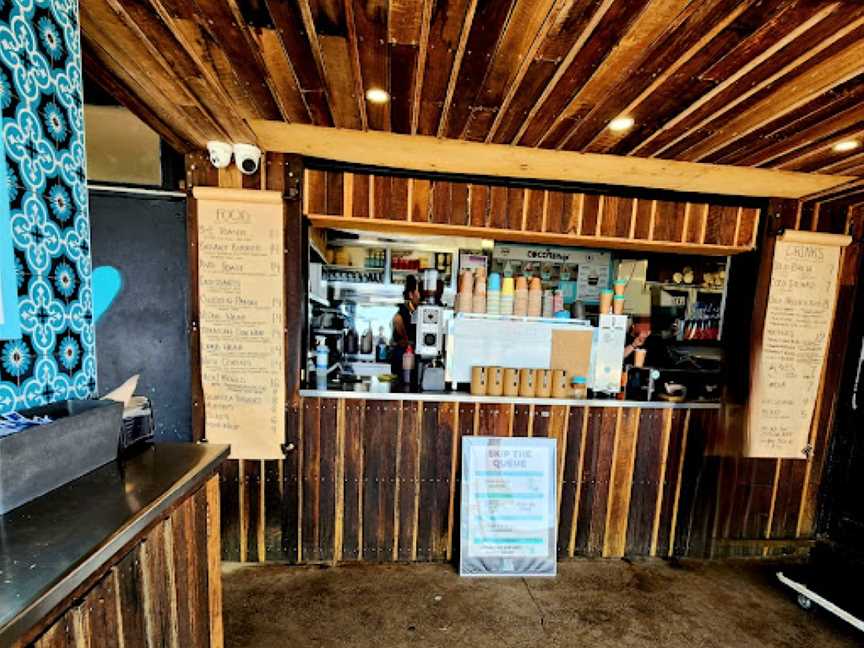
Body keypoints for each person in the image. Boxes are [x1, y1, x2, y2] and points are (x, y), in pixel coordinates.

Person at [390, 274, 419, 375]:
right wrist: (407, 341)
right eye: (419, 292)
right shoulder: (405, 310)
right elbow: (397, 320)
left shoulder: (416, 311)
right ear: (411, 294)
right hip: (402, 359)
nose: (422, 296)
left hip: (409, 357)